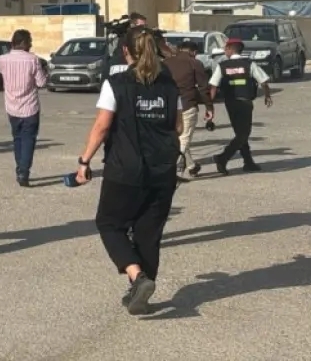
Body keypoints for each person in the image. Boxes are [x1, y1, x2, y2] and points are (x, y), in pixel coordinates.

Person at [74, 26, 182, 315]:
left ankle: (138, 277)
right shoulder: (169, 84)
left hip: (125, 168)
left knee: (109, 223)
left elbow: (102, 126)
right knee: (149, 232)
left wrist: (84, 161)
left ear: (125, 51)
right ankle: (141, 290)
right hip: (162, 169)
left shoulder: (116, 83)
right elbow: (178, 125)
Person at [207, 38, 272, 174]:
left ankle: (248, 162)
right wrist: (267, 96)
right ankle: (223, 158)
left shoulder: (222, 65)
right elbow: (264, 81)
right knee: (243, 133)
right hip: (245, 102)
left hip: (230, 103)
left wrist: (209, 105)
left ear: (230, 49)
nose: (224, 51)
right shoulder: (249, 64)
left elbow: (213, 86)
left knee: (240, 133)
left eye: (225, 49)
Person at [0, 29, 49, 187]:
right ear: (24, 43)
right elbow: (41, 83)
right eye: (29, 41)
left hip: (12, 107)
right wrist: (45, 71)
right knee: (28, 140)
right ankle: (23, 172)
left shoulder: (3, 59)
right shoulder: (33, 59)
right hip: (30, 107)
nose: (31, 45)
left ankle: (20, 167)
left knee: (17, 139)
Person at [162, 39, 214, 179]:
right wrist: (209, 107)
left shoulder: (165, 63)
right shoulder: (195, 63)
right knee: (184, 138)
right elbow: (203, 88)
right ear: (194, 52)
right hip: (187, 104)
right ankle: (173, 171)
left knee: (179, 138)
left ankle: (191, 166)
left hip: (167, 106)